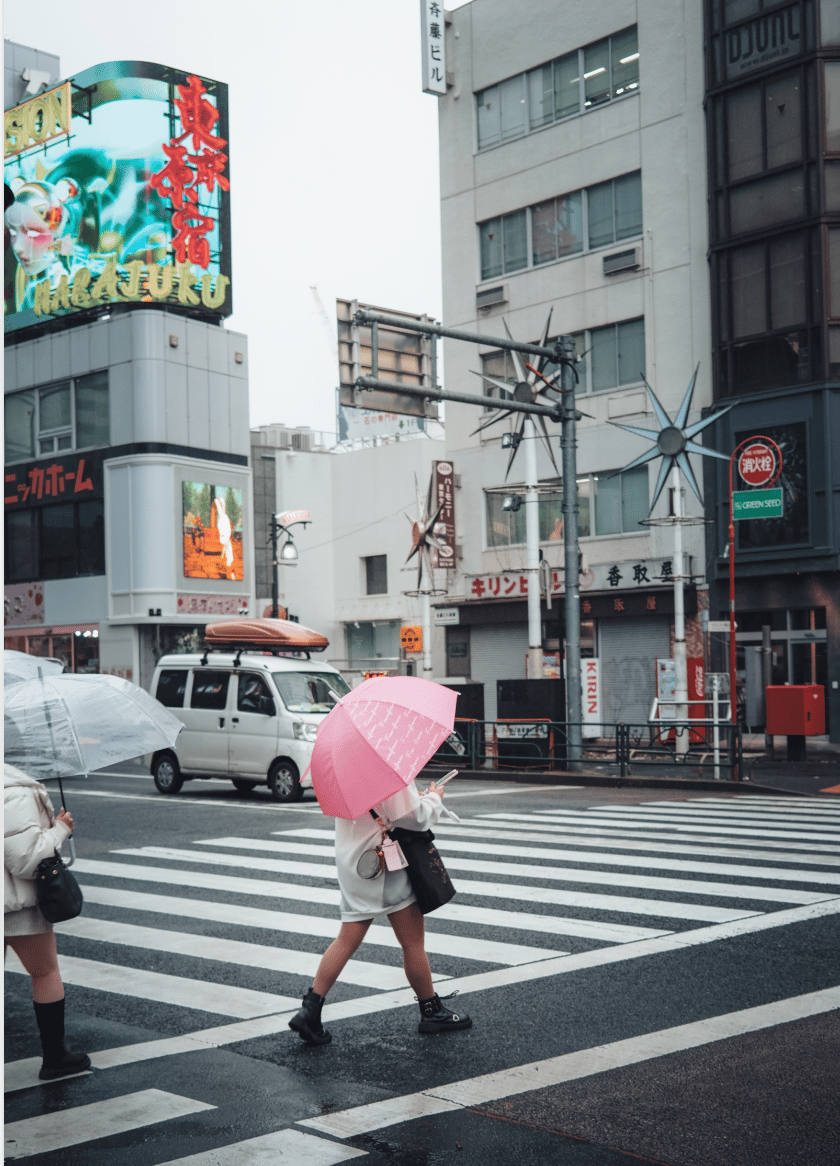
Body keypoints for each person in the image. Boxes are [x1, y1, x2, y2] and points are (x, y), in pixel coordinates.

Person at [289, 780, 472, 1045]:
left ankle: (310, 1008)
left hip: (355, 865)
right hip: (385, 867)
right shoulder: (387, 772)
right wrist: (434, 798)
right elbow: (416, 818)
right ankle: (431, 1011)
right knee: (412, 942)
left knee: (346, 939)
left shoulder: (347, 772)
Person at [4, 763, 91, 1080]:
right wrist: (60, 828)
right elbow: (26, 858)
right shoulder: (13, 789)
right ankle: (55, 1057)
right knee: (45, 972)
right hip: (15, 906)